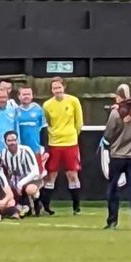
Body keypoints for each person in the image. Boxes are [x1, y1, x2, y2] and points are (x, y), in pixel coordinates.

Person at [103, 84, 131, 231]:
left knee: (113, 188)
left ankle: (112, 222)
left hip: (118, 156)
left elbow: (108, 134)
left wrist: (116, 110)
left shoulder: (115, 114)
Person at [42, 77, 83, 215]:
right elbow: (47, 123)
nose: (57, 90)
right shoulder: (47, 105)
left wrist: (72, 135)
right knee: (51, 174)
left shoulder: (73, 101)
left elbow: (79, 122)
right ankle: (46, 207)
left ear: (64, 87)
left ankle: (76, 206)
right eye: (54, 88)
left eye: (59, 87)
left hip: (70, 143)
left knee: (72, 173)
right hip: (54, 143)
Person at [0, 131, 42, 215]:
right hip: (14, 180)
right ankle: (25, 207)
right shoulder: (3, 153)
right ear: (5, 142)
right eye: (9, 140)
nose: (12, 143)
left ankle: (37, 203)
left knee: (30, 189)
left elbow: (35, 171)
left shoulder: (26, 150)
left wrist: (21, 184)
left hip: (31, 178)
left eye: (14, 140)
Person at [15, 86, 47, 182]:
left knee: (38, 175)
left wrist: (45, 147)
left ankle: (38, 196)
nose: (26, 96)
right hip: (21, 150)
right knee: (22, 175)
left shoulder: (38, 109)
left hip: (35, 149)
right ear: (19, 96)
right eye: (24, 94)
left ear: (32, 96)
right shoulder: (16, 111)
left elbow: (43, 129)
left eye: (28, 94)